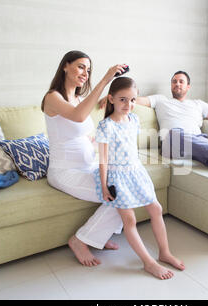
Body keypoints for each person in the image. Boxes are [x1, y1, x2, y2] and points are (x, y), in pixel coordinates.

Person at [42, 50, 128, 267]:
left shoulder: (79, 98)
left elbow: (81, 129)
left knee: (128, 186)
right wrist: (106, 78)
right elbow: (78, 115)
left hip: (88, 164)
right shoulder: (52, 97)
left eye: (88, 70)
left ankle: (100, 235)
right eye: (81, 66)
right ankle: (80, 241)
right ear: (65, 66)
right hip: (65, 172)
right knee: (120, 196)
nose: (85, 73)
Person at [101, 71, 208, 185]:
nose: (177, 84)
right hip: (172, 143)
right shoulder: (161, 99)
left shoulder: (198, 104)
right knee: (174, 134)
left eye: (181, 81)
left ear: (188, 87)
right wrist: (110, 99)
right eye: (174, 81)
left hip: (198, 142)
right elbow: (135, 99)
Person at [94, 77, 184, 280]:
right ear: (111, 99)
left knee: (156, 209)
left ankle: (164, 252)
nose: (129, 105)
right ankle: (148, 262)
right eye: (123, 99)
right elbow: (103, 159)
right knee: (130, 219)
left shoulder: (134, 119)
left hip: (136, 172)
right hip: (117, 177)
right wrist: (104, 186)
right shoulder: (106, 126)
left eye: (133, 100)